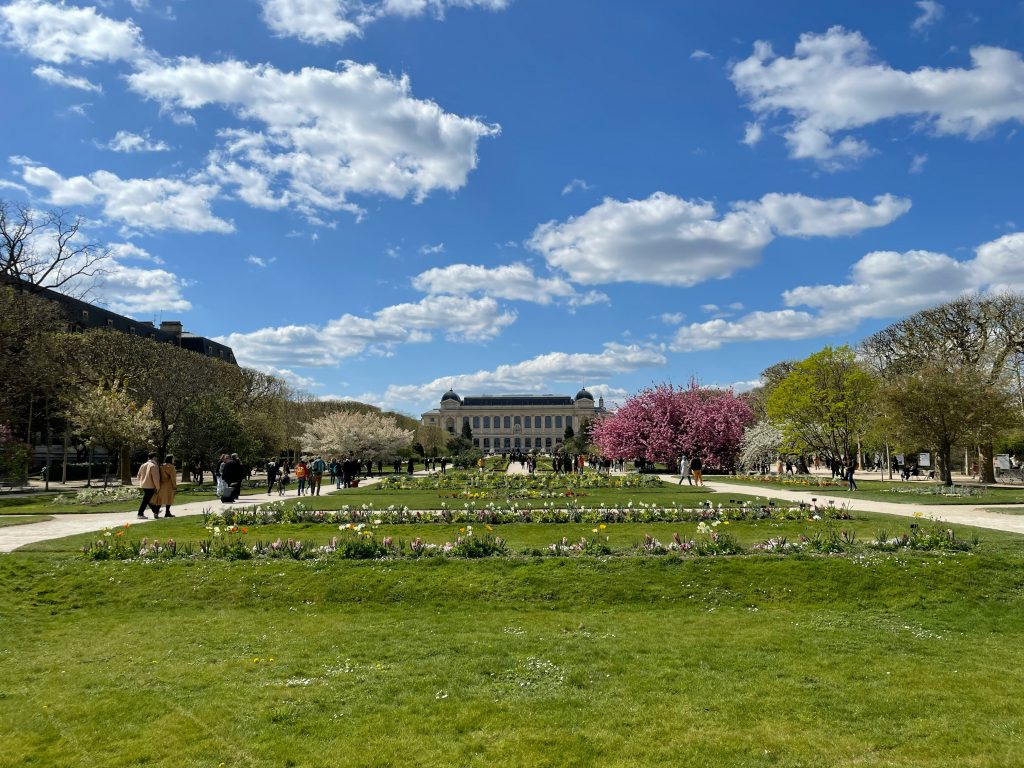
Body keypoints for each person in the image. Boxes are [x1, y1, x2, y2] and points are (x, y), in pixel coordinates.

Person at [136, 452, 161, 519]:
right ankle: (140, 513)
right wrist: (157, 487)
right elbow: (155, 478)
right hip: (150, 485)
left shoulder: (143, 465)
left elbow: (138, 475)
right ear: (154, 457)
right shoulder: (153, 465)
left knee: (147, 499)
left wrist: (142, 481)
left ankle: (155, 510)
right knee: (146, 500)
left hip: (144, 485)